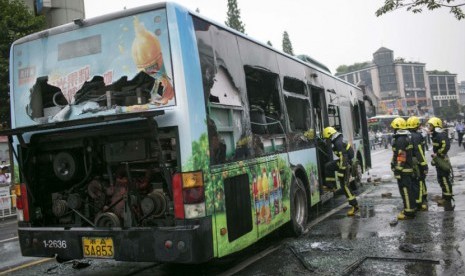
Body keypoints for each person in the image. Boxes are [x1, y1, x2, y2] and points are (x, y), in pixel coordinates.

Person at [322, 126, 359, 216]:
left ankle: (355, 206)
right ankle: (331, 186)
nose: (327, 141)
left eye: (327, 139)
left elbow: (344, 158)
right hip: (346, 163)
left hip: (346, 164)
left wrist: (341, 171)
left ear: (330, 136)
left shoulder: (338, 143)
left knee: (345, 186)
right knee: (328, 166)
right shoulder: (338, 140)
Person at [390, 117, 416, 220]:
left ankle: (408, 213)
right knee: (409, 190)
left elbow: (401, 156)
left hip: (404, 170)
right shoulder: (405, 138)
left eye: (393, 128)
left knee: (405, 191)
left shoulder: (400, 140)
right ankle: (411, 208)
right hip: (407, 169)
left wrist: (397, 170)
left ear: (397, 128)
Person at [428, 117, 454, 211]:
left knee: (444, 179)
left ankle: (447, 198)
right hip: (438, 160)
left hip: (442, 160)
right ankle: (445, 196)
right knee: (441, 179)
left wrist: (438, 154)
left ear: (435, 125)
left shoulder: (440, 135)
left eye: (430, 125)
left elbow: (446, 145)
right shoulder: (436, 135)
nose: (429, 127)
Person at [407, 116, 429, 211]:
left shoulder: (406, 136)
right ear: (417, 125)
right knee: (419, 181)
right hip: (417, 162)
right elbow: (419, 152)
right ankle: (420, 202)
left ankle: (422, 197)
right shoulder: (418, 136)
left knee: (413, 181)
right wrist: (424, 165)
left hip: (409, 163)